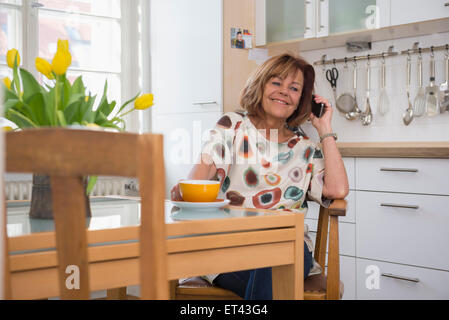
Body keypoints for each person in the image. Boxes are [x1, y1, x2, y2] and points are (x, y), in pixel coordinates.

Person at [171, 53, 349, 299]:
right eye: (276, 83)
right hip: (230, 246)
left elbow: (337, 190)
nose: (284, 92)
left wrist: (325, 130)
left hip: (290, 247)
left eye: (294, 88)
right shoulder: (233, 126)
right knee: (269, 268)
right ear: (260, 85)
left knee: (273, 254)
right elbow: (201, 174)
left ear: (301, 101)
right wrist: (200, 174)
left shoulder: (307, 148)